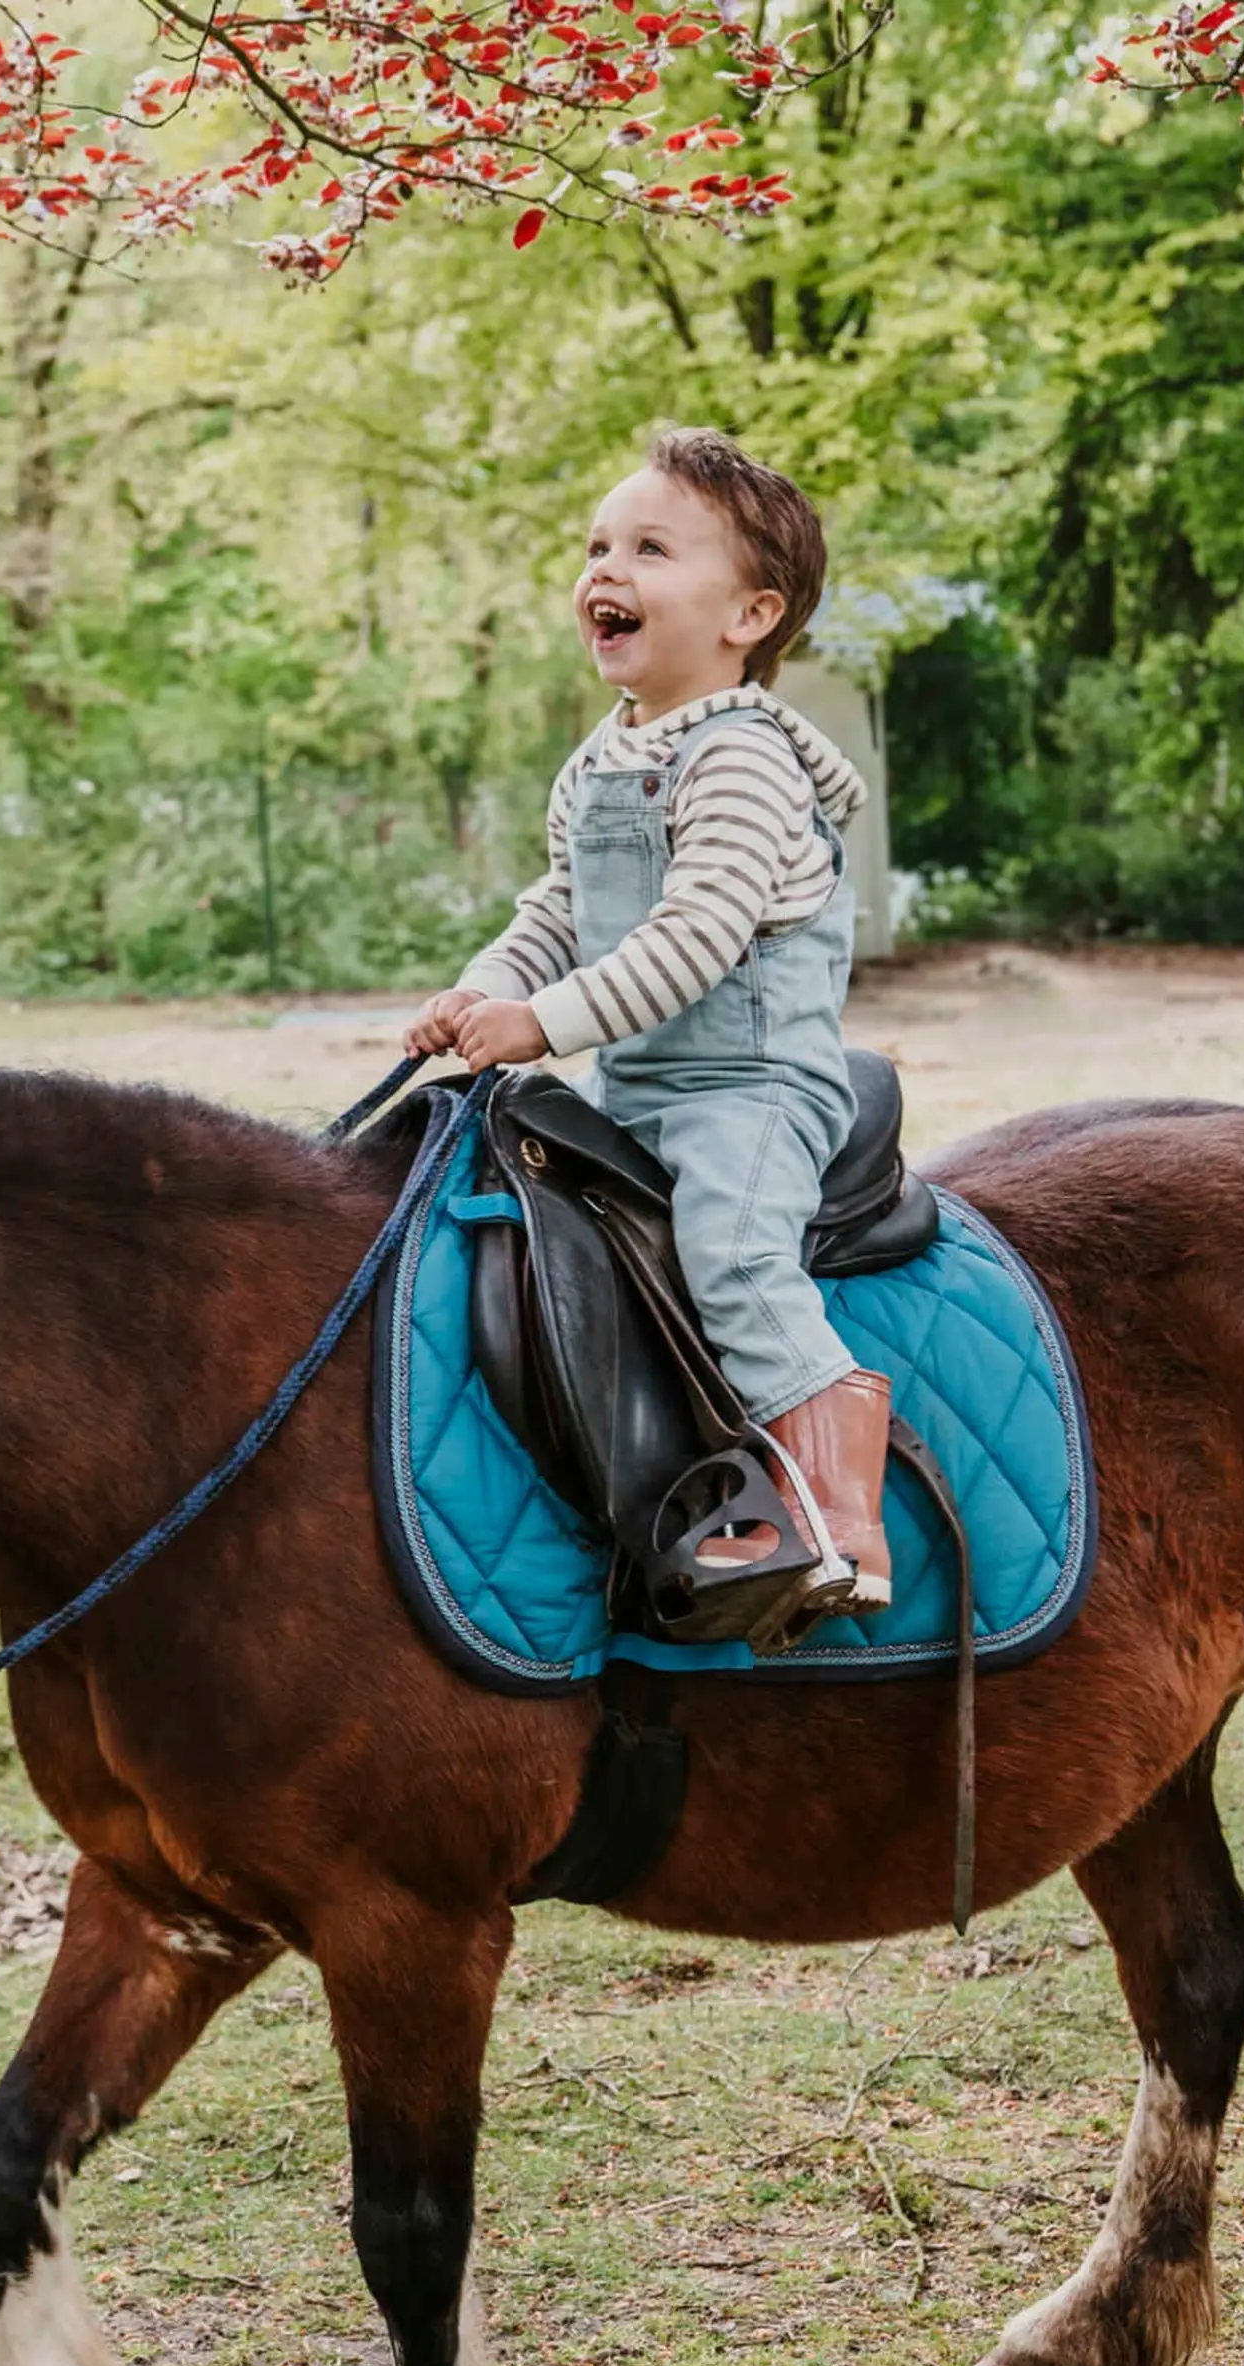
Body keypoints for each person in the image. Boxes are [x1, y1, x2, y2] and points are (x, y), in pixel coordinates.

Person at [407, 427, 888, 1620]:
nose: (606, 569)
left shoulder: (745, 763)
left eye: (651, 548)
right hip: (641, 1090)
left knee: (728, 1254)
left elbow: (696, 937)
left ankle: (838, 1521)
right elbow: (556, 912)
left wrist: (543, 1023)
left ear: (748, 616)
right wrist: (481, 992)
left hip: (753, 1085)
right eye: (598, 546)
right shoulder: (600, 764)